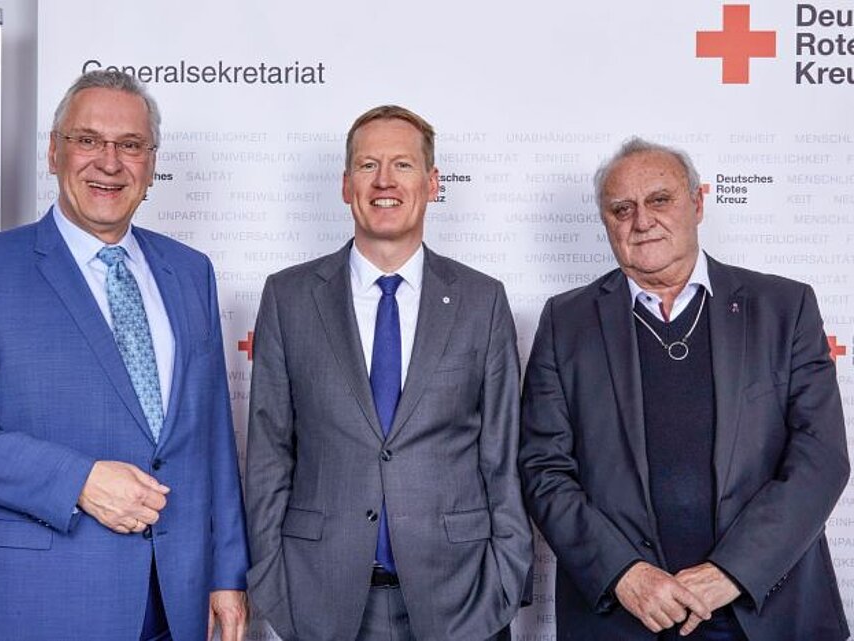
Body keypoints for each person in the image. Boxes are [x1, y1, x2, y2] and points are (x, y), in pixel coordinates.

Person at [0, 70, 249, 641]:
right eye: (88, 140)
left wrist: (227, 575)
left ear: (151, 164)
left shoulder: (190, 273)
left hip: (174, 601)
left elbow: (212, 440)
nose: (109, 162)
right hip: (31, 599)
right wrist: (78, 479)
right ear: (55, 151)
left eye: (129, 145)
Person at [519, 137, 850, 641]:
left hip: (765, 611)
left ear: (697, 203)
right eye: (621, 208)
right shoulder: (567, 321)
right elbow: (544, 469)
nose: (642, 220)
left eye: (660, 199)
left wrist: (732, 573)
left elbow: (821, 458)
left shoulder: (785, 308)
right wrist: (624, 574)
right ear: (606, 221)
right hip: (622, 614)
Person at [244, 105, 532, 641]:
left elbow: (502, 455)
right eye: (367, 164)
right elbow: (268, 453)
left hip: (461, 598)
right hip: (321, 600)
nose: (384, 181)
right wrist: (272, 583)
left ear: (432, 182)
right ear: (345, 184)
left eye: (402, 165)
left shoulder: (482, 300)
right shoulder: (288, 297)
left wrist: (504, 586)